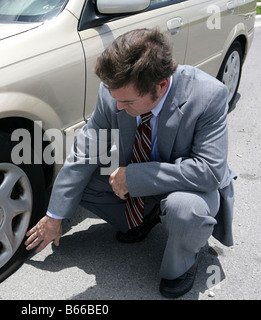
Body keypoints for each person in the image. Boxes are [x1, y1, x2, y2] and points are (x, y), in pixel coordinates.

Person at [25, 28, 236, 298]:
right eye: (116, 99)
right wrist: (55, 216)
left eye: (127, 101)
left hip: (191, 187)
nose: (119, 108)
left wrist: (134, 177)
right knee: (82, 179)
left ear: (160, 86)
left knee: (184, 211)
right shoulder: (113, 93)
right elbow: (84, 152)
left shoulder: (209, 95)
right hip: (143, 175)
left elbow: (209, 172)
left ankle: (184, 260)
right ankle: (145, 218)